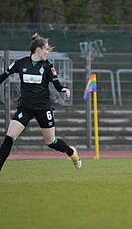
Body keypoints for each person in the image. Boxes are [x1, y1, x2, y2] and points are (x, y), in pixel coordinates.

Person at [0, 33, 82, 171]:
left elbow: (56, 83)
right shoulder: (21, 63)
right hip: (24, 107)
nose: (48, 53)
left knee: (51, 142)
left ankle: (71, 152)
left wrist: (63, 89)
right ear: (38, 50)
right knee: (9, 137)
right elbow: (4, 75)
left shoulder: (48, 65)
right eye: (46, 49)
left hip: (43, 108)